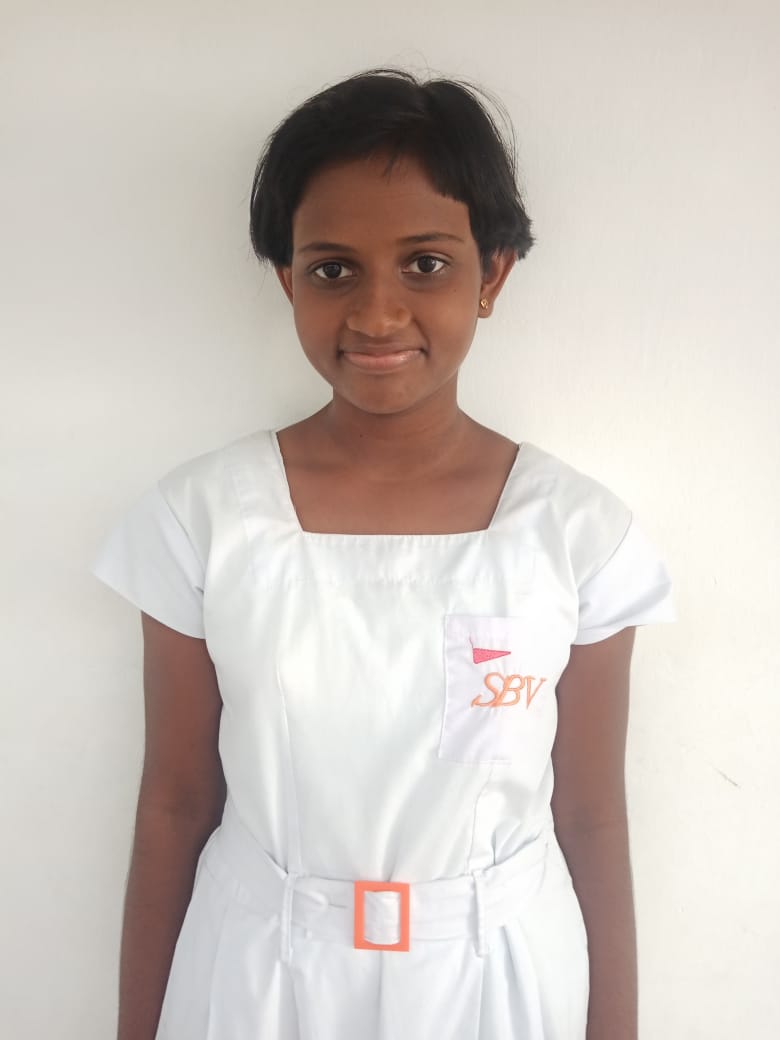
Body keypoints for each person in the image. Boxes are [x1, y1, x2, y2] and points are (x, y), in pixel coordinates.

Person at [90, 68, 675, 1040]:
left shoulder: (576, 534)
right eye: (333, 270)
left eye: (425, 264)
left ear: (492, 276)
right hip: (256, 976)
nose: (376, 313)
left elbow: (590, 815)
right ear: (289, 280)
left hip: (499, 979)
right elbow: (177, 801)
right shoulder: (203, 519)